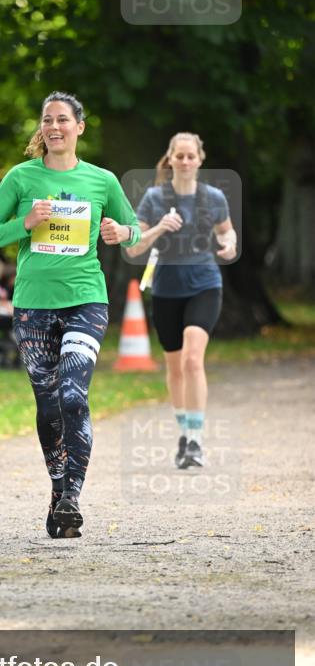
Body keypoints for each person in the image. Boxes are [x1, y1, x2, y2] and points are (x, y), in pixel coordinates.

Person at [0, 91, 141, 539]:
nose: (54, 126)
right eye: (47, 119)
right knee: (48, 405)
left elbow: (136, 233)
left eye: (63, 119)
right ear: (41, 128)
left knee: (72, 395)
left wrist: (121, 230)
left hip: (86, 299)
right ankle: (58, 490)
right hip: (32, 306)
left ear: (79, 127)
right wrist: (25, 224)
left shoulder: (102, 180)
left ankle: (72, 497)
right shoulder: (20, 177)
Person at [126, 133, 237, 469]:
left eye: (191, 156)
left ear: (200, 159)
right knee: (174, 368)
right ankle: (183, 433)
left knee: (192, 359)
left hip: (205, 284)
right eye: (180, 156)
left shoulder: (214, 197)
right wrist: (159, 227)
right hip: (166, 289)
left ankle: (196, 441)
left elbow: (226, 231)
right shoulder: (154, 198)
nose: (186, 162)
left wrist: (229, 244)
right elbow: (133, 247)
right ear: (170, 159)